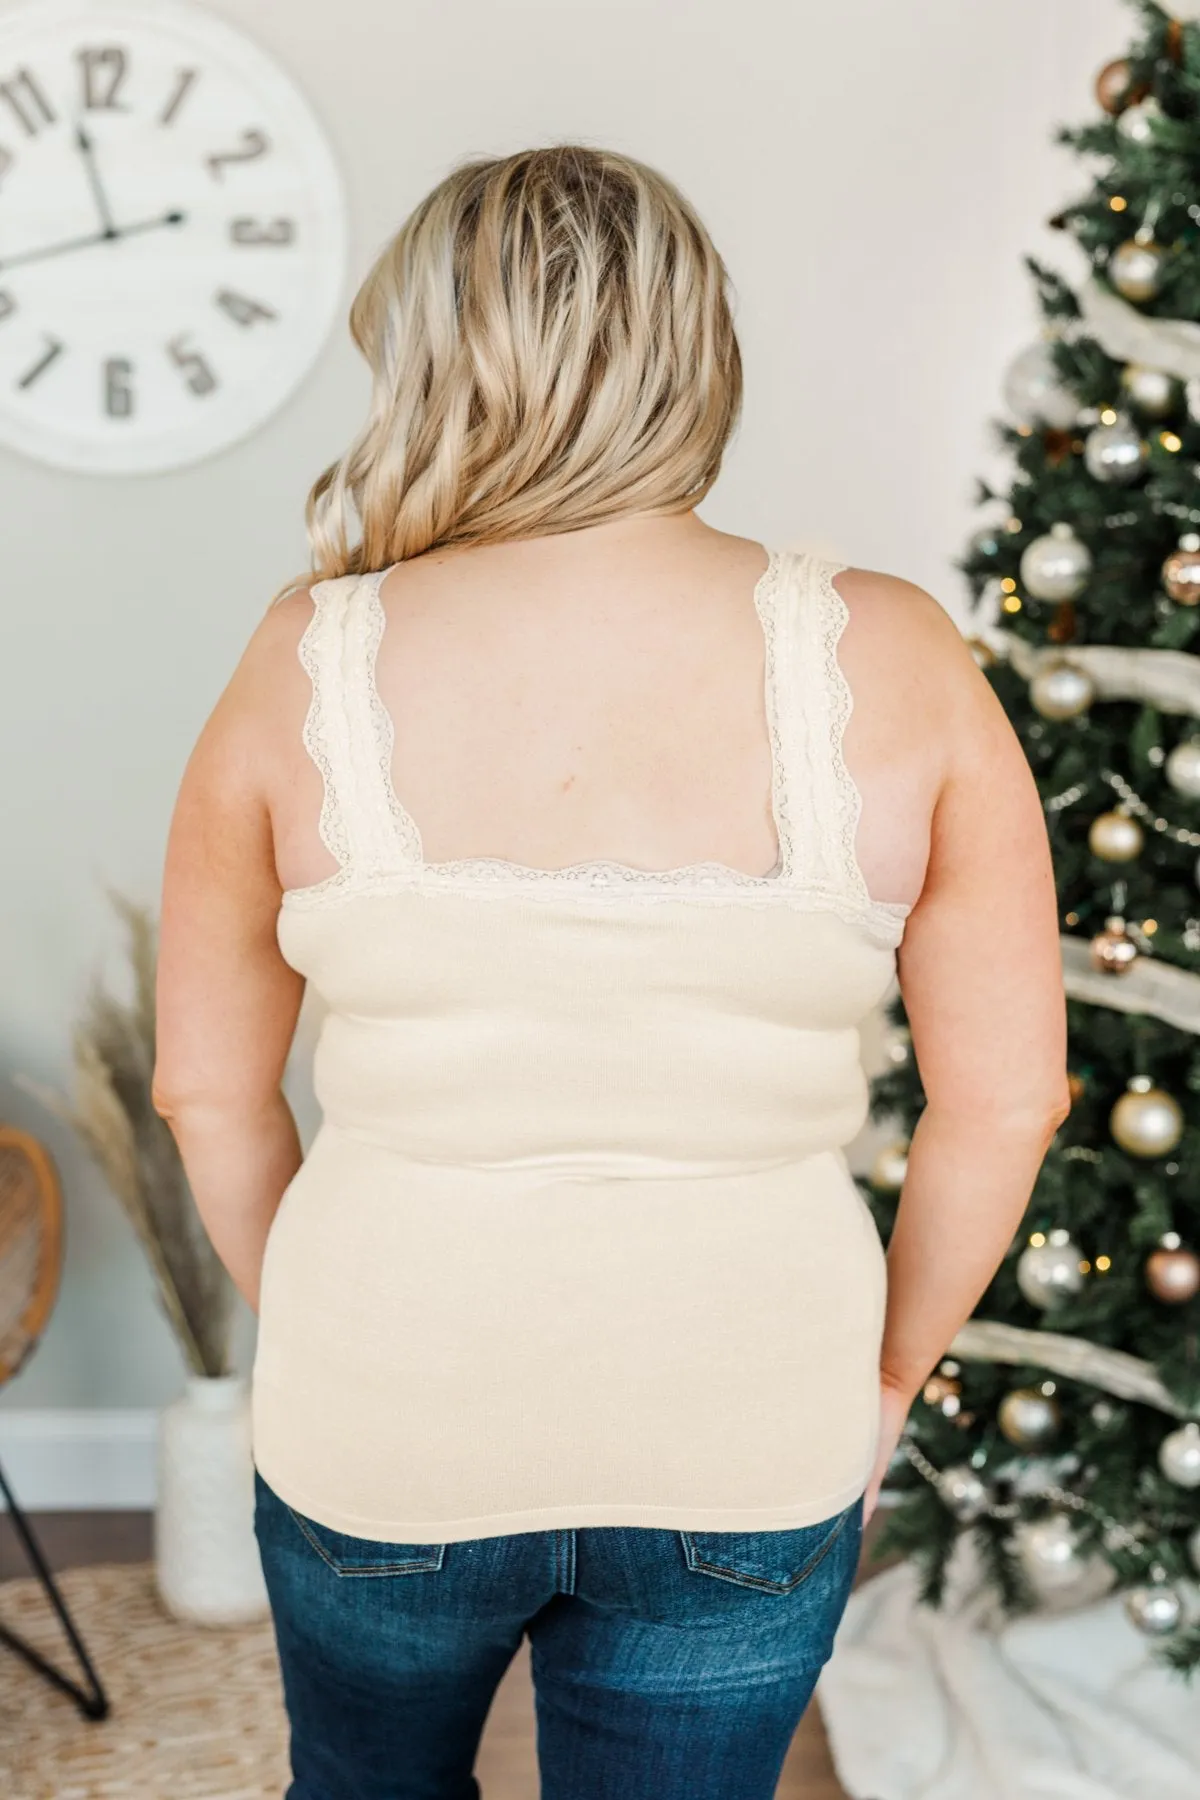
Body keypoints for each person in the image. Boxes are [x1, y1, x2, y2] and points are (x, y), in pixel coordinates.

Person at [152, 143, 1070, 1800]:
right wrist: (881, 1381)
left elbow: (206, 1089)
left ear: (434, 361)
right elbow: (1008, 1100)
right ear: (695, 352)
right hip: (748, 1421)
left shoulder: (309, 655)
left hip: (385, 1405)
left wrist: (343, 1333)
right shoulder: (900, 655)